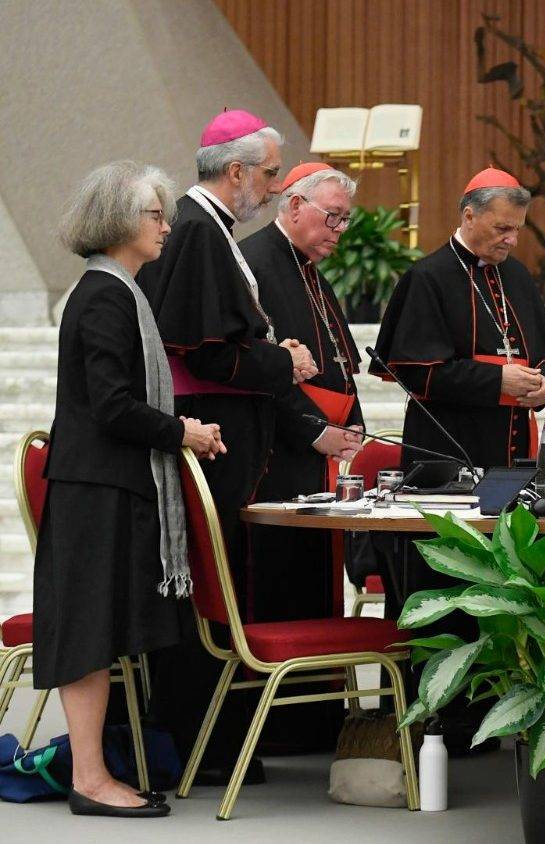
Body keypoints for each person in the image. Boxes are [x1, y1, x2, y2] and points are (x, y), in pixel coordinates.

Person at [38, 161, 225, 817]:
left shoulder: (118, 293)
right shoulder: (104, 296)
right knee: (90, 633)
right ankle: (89, 779)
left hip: (108, 487)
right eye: (155, 215)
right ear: (119, 219)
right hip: (97, 490)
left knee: (102, 630)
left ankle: (93, 773)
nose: (167, 227)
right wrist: (182, 432)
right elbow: (113, 407)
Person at [138, 109, 313, 782]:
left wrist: (272, 357)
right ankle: (200, 748)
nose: (273, 188)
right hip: (209, 437)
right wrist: (281, 364)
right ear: (236, 171)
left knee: (221, 589)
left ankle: (216, 742)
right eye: (270, 174)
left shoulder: (213, 231)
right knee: (207, 593)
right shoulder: (200, 234)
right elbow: (206, 352)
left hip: (225, 437)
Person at [373, 166, 545, 746]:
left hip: (511, 461)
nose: (510, 240)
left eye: (517, 230)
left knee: (502, 591)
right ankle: (438, 724)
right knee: (448, 592)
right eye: (501, 228)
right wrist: (499, 382)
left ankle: (497, 716)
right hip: (445, 460)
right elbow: (410, 368)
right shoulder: (427, 277)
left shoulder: (519, 279)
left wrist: (541, 384)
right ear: (468, 215)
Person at [239, 162, 366, 751]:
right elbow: (258, 369)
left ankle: (315, 722)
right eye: (330, 217)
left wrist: (353, 419)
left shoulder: (311, 269)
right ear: (293, 207)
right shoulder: (256, 262)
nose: (339, 230)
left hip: (317, 456)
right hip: (275, 456)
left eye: (345, 219)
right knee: (280, 583)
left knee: (316, 582)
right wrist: (314, 430)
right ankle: (279, 729)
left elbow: (338, 358)